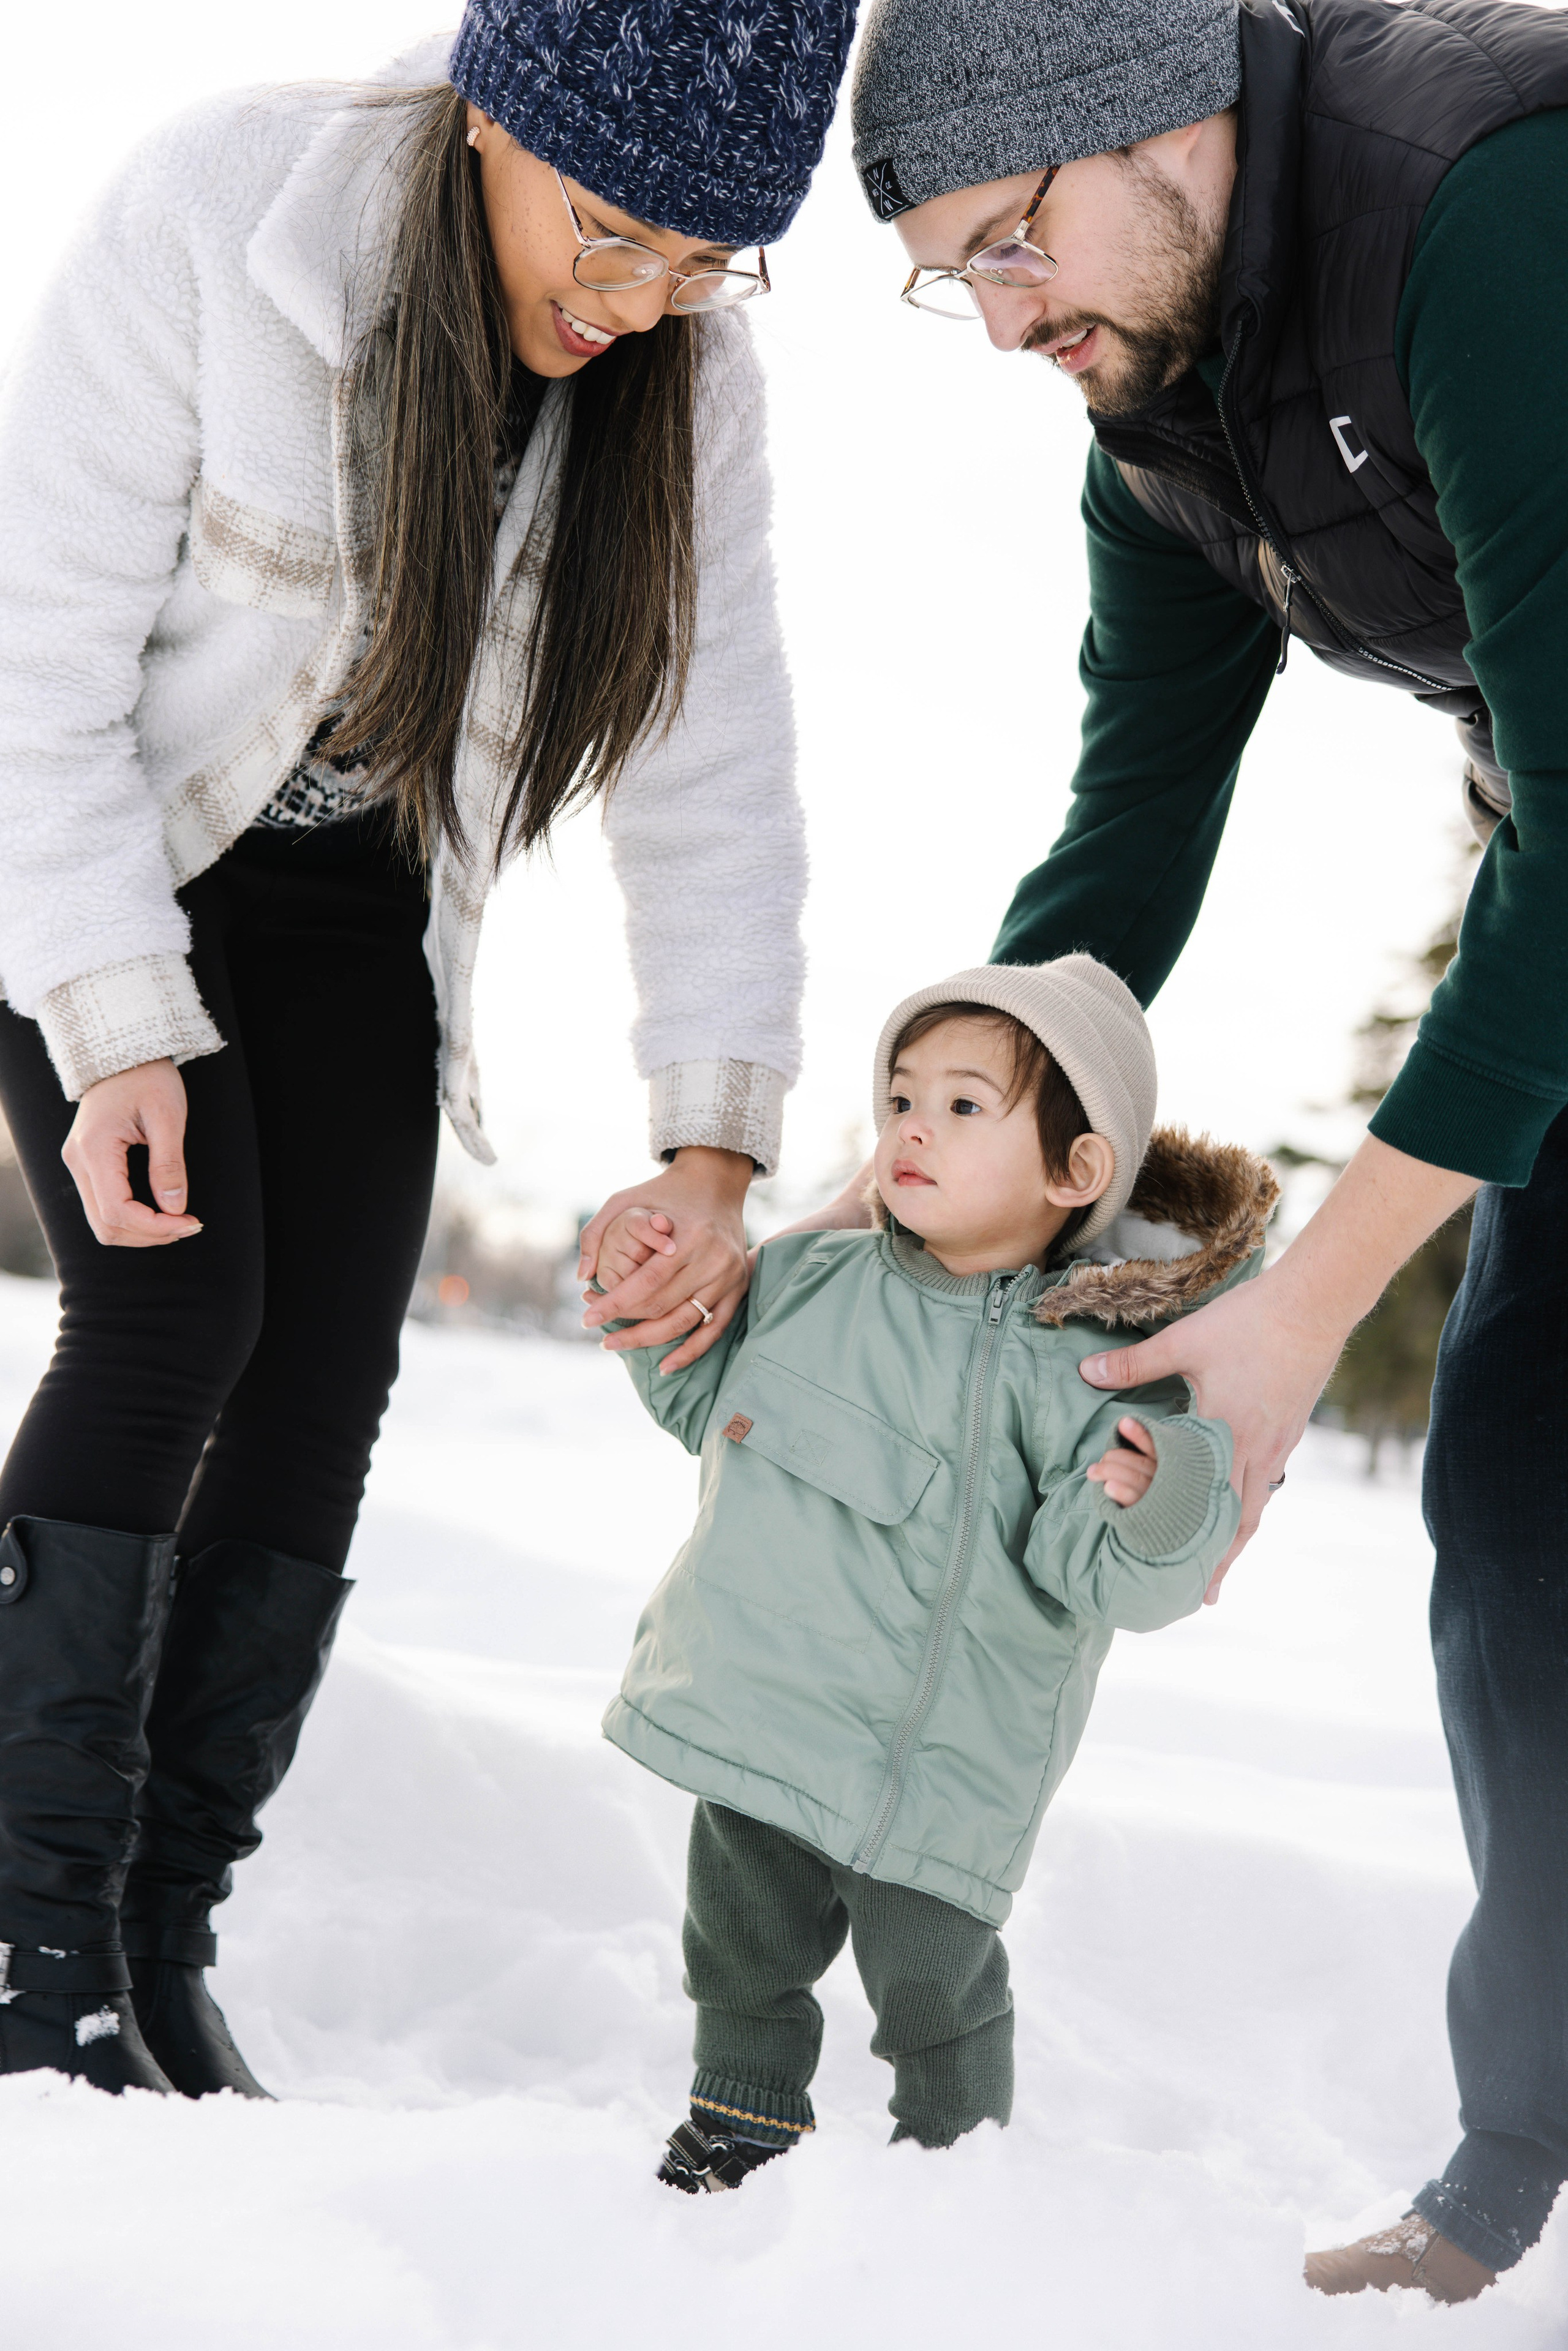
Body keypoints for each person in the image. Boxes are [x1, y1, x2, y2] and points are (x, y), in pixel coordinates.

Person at [0, 0, 856, 2099]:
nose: (636, 299)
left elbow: (718, 755)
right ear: (499, 111)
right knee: (176, 1310)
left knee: (320, 1388)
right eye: (611, 231)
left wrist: (714, 1138)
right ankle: (27, 1948)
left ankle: (155, 1936)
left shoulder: (684, 383)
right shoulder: (229, 209)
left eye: (701, 261)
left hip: (360, 905)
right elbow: (32, 653)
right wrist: (112, 1023)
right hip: (113, 843)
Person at [838, 0, 1568, 2301]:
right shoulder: (1160, 425)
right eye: (952, 279)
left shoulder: (1482, 212)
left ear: (1154, 117)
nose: (1003, 319)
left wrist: (1309, 1301)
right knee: (1523, 1516)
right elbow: (1133, 830)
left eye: (1010, 241)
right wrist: (941, 1134)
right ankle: (1522, 2149)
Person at [594, 956, 1275, 2189]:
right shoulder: (808, 1281)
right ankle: (739, 2120)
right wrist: (643, 1283)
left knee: (933, 1991)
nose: (911, 1127)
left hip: (939, 1768)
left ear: (1076, 1169)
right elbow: (702, 1393)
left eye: (963, 1105)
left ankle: (955, 2176)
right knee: (738, 1948)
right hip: (766, 1715)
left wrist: (1166, 1491)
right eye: (901, 1097)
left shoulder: (1098, 1370)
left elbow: (1115, 1581)